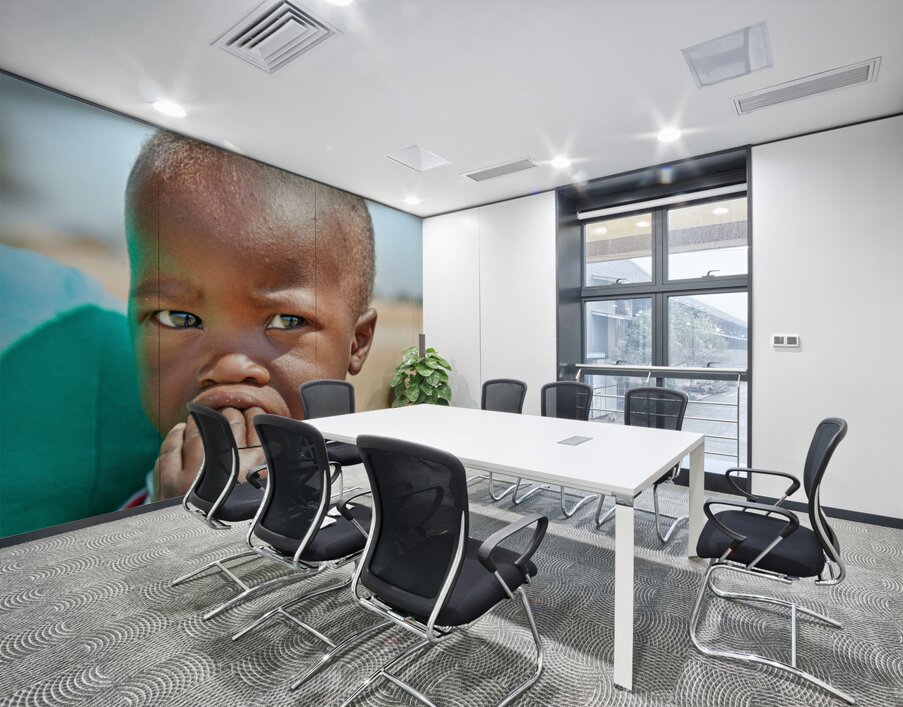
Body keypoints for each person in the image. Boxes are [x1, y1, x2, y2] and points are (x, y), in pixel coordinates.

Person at [125, 131, 378, 502]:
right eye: (178, 317)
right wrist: (173, 514)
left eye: (287, 321)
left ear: (358, 342)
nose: (229, 367)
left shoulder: (362, 498)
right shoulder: (126, 509)